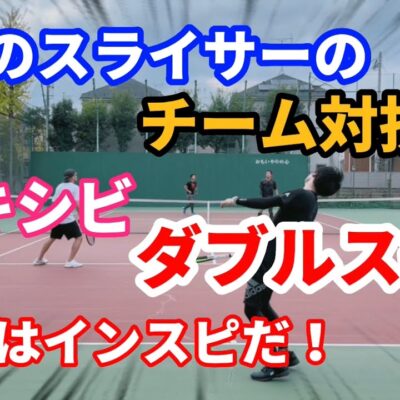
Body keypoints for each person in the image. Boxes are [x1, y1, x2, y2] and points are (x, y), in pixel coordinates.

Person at [221, 166, 343, 381]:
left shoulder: (302, 195)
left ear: (315, 177)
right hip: (278, 258)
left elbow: (268, 202)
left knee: (252, 308)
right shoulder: (310, 201)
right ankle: (284, 353)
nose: (311, 173)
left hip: (271, 260)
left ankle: (276, 362)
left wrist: (236, 200)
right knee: (262, 306)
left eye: (315, 172)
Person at [33, 168, 83, 268]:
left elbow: (54, 201)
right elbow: (77, 203)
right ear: (72, 177)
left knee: (52, 238)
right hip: (67, 219)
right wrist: (81, 215)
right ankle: (70, 261)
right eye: (75, 175)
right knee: (79, 237)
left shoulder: (60, 186)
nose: (76, 176)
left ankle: (39, 259)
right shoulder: (75, 188)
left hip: (57, 218)